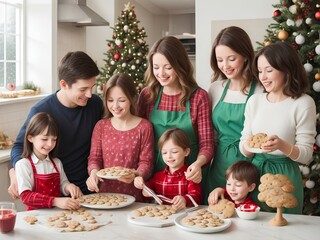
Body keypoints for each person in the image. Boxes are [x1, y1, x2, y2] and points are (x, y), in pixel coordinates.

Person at [9, 51, 104, 198]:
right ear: (64, 84)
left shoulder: (95, 104)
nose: (90, 94)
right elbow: (18, 147)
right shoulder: (41, 110)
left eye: (92, 87)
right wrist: (15, 171)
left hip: (91, 191)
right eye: (83, 89)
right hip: (54, 195)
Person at [239, 41, 317, 214]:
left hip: (286, 175)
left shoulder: (303, 103)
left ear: (286, 69)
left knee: (284, 228)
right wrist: (249, 145)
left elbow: (306, 155)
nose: (263, 77)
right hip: (255, 174)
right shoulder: (254, 101)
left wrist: (281, 145)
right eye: (260, 71)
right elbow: (244, 145)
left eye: (269, 70)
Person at [138, 36, 214, 186]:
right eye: (156, 67)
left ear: (180, 65)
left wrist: (198, 164)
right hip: (155, 175)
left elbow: (207, 143)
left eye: (168, 67)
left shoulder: (199, 97)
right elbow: (139, 139)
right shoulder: (147, 95)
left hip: (190, 177)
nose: (161, 73)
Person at [202, 26, 264, 204]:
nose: (225, 66)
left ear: (245, 56)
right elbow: (211, 135)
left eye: (231, 59)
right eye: (220, 60)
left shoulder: (261, 90)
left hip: (249, 169)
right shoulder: (215, 89)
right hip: (219, 168)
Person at [86, 73, 154, 202]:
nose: (115, 106)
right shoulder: (101, 126)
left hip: (135, 197)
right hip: (106, 198)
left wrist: (135, 174)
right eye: (110, 100)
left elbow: (147, 163)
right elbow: (95, 158)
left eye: (121, 100)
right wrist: (93, 173)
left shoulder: (144, 127)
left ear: (132, 99)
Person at [15, 112, 82, 210]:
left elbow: (63, 183)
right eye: (44, 139)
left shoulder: (56, 162)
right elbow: (26, 197)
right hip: (35, 217)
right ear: (30, 138)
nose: (50, 144)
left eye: (54, 139)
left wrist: (69, 187)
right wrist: (55, 201)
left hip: (57, 215)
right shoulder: (23, 164)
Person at [134, 128, 201, 211]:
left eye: (174, 152)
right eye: (164, 153)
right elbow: (146, 189)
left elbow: (196, 197)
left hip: (184, 217)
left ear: (186, 152)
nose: (169, 156)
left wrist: (185, 199)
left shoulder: (190, 176)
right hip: (162, 218)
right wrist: (142, 185)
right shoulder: (158, 176)